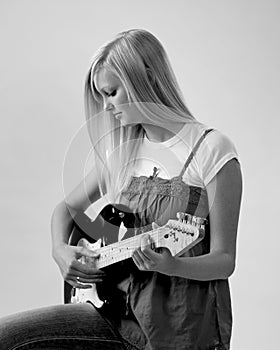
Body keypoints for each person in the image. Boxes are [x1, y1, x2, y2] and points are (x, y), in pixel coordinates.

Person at [0, 29, 242, 350]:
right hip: (113, 316)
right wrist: (60, 250)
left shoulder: (211, 149)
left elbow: (224, 260)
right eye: (101, 95)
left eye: (111, 92)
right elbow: (65, 210)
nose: (106, 105)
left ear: (148, 79)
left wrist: (171, 265)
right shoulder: (123, 151)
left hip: (181, 328)